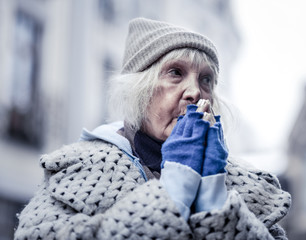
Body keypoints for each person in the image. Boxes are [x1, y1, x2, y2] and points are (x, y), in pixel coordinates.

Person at [15, 17, 291, 239]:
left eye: (206, 79)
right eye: (175, 73)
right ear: (140, 90)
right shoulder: (78, 170)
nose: (195, 92)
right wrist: (174, 191)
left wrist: (214, 200)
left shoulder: (247, 186)